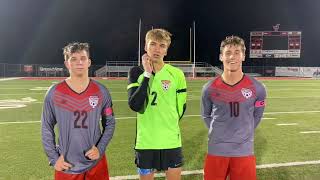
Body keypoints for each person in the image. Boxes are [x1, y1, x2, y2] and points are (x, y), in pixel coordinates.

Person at [41, 42, 115, 180]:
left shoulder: (101, 91)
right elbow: (46, 126)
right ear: (67, 63)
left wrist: (100, 148)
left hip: (96, 162)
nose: (79, 62)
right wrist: (53, 158)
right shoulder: (54, 92)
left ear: (89, 62)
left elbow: (110, 123)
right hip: (66, 164)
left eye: (83, 58)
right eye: (73, 59)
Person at [201, 36, 266, 180]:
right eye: (228, 52)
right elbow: (206, 115)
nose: (232, 56)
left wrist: (245, 131)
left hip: (244, 151)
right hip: (216, 150)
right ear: (221, 56)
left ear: (243, 56)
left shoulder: (258, 88)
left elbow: (258, 115)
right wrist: (218, 132)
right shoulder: (209, 88)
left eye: (237, 52)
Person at [127, 28, 187, 180]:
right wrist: (147, 74)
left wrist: (168, 122)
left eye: (162, 46)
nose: (157, 49)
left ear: (166, 51)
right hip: (146, 142)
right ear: (146, 47)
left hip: (171, 140)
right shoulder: (136, 72)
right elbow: (135, 105)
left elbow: (181, 108)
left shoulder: (177, 74)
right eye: (153, 44)